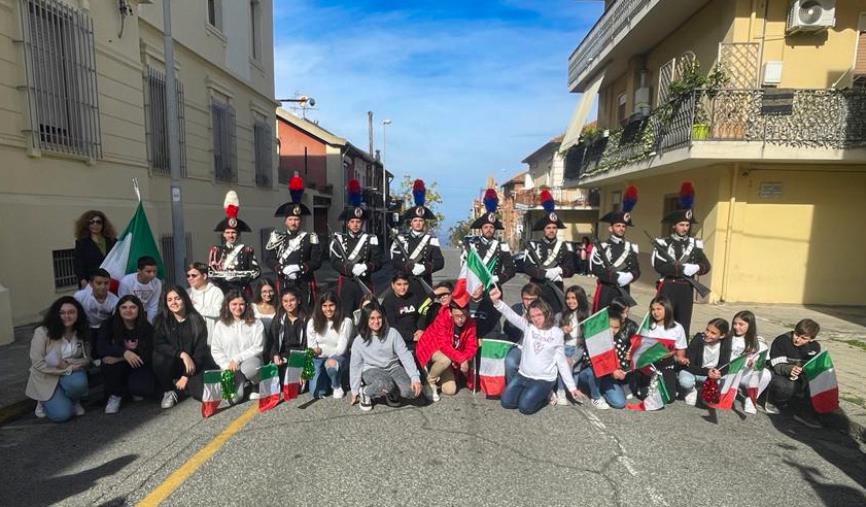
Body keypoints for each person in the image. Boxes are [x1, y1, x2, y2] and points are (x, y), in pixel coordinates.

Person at [489, 286, 579, 415]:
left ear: (546, 313)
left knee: (525, 408)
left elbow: (561, 362)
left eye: (539, 315)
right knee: (506, 403)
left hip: (543, 379)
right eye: (532, 316)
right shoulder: (529, 327)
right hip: (523, 375)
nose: (536, 319)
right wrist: (497, 302)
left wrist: (571, 387)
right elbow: (510, 315)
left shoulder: (557, 333)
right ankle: (530, 393)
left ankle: (545, 395)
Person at [651, 182, 711, 335]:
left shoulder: (695, 244)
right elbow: (659, 266)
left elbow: (706, 265)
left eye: (687, 225)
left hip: (686, 288)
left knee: (683, 323)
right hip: (669, 287)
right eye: (681, 225)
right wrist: (681, 269)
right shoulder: (663, 243)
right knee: (664, 322)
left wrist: (696, 268)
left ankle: (681, 352)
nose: (685, 228)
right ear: (674, 226)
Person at [25, 296, 90, 422]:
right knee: (62, 415)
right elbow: (37, 363)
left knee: (79, 383)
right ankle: (42, 401)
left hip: (69, 372)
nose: (67, 316)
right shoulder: (42, 332)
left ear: (78, 314)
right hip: (47, 375)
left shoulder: (81, 331)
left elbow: (87, 358)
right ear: (56, 314)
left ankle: (73, 400)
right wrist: (65, 369)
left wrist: (69, 364)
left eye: (71, 312)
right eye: (62, 313)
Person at [349, 303, 422, 411]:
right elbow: (355, 366)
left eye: (379, 318)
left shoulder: (392, 333)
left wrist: (415, 377)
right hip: (371, 370)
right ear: (365, 320)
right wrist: (354, 390)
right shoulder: (359, 341)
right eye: (372, 318)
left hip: (393, 368)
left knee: (410, 392)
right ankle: (365, 392)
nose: (376, 321)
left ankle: (390, 391)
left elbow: (405, 355)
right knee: (384, 384)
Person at [265, 173, 322, 309]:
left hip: (304, 281)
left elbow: (316, 260)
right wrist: (281, 269)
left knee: (306, 312)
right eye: (290, 219)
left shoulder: (310, 237)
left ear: (300, 221)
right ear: (285, 221)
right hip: (284, 281)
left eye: (296, 219)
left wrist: (300, 268)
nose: (294, 222)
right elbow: (269, 258)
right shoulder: (277, 237)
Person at [152, 286, 214, 409]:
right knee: (159, 357)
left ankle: (181, 388)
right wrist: (182, 354)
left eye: (177, 298)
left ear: (184, 299)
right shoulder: (161, 320)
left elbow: (200, 351)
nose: (173, 302)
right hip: (172, 363)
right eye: (169, 300)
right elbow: (159, 345)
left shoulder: (197, 320)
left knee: (203, 394)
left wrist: (186, 375)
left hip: (193, 364)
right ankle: (168, 390)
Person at [330, 179, 384, 315]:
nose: (355, 224)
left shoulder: (371, 239)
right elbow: (334, 262)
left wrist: (366, 267)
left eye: (358, 222)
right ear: (347, 224)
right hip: (346, 285)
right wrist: (350, 268)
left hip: (364, 283)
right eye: (352, 221)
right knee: (345, 317)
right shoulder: (339, 239)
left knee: (367, 317)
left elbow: (378, 261)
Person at [96, 295, 156, 414]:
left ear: (139, 309)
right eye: (124, 307)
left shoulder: (146, 326)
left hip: (138, 363)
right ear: (118, 309)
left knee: (143, 389)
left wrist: (121, 358)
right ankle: (115, 395)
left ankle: (130, 390)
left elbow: (149, 353)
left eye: (132, 307)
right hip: (116, 367)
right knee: (108, 364)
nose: (128, 310)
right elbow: (101, 347)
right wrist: (124, 353)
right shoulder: (108, 324)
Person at [519, 189, 575, 314]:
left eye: (554, 228)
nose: (551, 230)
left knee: (556, 319)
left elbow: (571, 268)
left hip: (556, 290)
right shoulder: (534, 246)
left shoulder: (565, 247)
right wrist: (544, 274)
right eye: (548, 228)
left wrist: (559, 271)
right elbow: (527, 267)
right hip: (536, 289)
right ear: (543, 229)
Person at [590, 185, 640, 313]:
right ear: (611, 228)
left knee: (621, 323)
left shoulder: (631, 247)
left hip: (623, 290)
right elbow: (596, 269)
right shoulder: (601, 247)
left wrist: (630, 276)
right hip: (606, 289)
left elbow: (636, 269)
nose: (621, 228)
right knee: (602, 324)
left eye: (623, 226)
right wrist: (615, 277)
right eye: (618, 226)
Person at [415, 301, 478, 402]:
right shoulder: (442, 319)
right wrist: (461, 359)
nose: (461, 319)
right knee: (446, 359)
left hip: (451, 356)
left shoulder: (471, 324)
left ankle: (436, 372)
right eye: (457, 316)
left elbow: (472, 346)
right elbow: (444, 346)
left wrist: (465, 358)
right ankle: (429, 381)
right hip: (432, 349)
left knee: (450, 390)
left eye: (464, 315)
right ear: (451, 312)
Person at [391, 179, 444, 296]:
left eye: (421, 220)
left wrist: (425, 268)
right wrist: (408, 267)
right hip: (405, 285)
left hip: (424, 284)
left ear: (424, 222)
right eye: (415, 220)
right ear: (411, 223)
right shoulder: (401, 239)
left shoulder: (431, 240)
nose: (418, 223)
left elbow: (440, 262)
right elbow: (395, 261)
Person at [766, 319, 822, 427]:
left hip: (799, 376)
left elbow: (813, 367)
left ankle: (804, 413)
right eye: (796, 334)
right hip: (778, 373)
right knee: (787, 386)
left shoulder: (815, 347)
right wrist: (789, 369)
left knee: (817, 383)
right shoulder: (782, 341)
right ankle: (773, 400)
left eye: (803, 338)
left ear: (811, 339)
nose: (797, 339)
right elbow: (777, 366)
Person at [211, 291, 265, 403]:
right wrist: (226, 365)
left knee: (251, 370)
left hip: (250, 363)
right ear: (227, 305)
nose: (238, 307)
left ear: (246, 305)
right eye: (234, 304)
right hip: (231, 367)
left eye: (241, 304)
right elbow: (216, 350)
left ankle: (256, 384)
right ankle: (243, 385)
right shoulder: (220, 325)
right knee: (233, 400)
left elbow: (258, 347)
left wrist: (237, 358)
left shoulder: (256, 323)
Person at [573, 310, 629, 410]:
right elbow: (587, 360)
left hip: (608, 377)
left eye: (616, 327)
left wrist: (622, 370)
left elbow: (623, 364)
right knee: (592, 372)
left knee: (619, 403)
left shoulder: (619, 342)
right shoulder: (595, 339)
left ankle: (601, 389)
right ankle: (596, 397)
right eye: (610, 326)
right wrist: (611, 369)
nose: (613, 330)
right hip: (590, 373)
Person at [208, 191, 261, 294]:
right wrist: (224, 278)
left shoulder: (247, 251)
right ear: (223, 234)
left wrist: (239, 277)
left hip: (242, 290)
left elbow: (256, 272)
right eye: (228, 232)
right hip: (224, 291)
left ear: (239, 234)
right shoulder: (216, 251)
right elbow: (211, 272)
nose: (231, 235)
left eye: (233, 232)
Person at [637, 296, 689, 400]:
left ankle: (674, 382)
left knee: (668, 398)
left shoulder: (677, 328)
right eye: (653, 309)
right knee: (646, 396)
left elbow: (680, 354)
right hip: (650, 365)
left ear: (667, 309)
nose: (655, 312)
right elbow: (640, 350)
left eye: (659, 309)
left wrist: (679, 358)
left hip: (667, 365)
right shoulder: (648, 326)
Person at [463, 188, 515, 287]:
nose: (489, 229)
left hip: (494, 288)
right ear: (481, 228)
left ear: (495, 229)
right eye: (486, 227)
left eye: (491, 227)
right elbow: (466, 267)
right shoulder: (472, 244)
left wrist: (498, 278)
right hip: (475, 287)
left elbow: (511, 269)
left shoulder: (502, 246)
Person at [306, 291, 353, 399]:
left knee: (331, 363)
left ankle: (336, 385)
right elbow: (311, 347)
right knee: (317, 393)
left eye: (331, 305)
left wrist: (321, 351)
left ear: (337, 305)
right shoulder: (312, 322)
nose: (328, 309)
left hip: (338, 358)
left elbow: (341, 350)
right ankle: (329, 377)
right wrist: (314, 351)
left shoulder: (346, 321)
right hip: (318, 358)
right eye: (324, 306)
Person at [678, 318, 732, 407]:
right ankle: (691, 390)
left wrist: (718, 373)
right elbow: (689, 364)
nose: (708, 334)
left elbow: (725, 365)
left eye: (713, 333)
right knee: (685, 382)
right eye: (707, 330)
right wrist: (707, 372)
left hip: (711, 374)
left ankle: (705, 391)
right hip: (695, 371)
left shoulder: (725, 344)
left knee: (725, 378)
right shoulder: (698, 339)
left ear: (722, 336)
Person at [554, 285, 590, 405]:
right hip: (563, 348)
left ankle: (565, 388)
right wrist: (561, 330)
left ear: (580, 298)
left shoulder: (587, 317)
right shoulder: (560, 316)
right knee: (565, 365)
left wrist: (574, 358)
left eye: (574, 298)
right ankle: (560, 392)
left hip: (578, 350)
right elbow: (551, 335)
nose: (570, 301)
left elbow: (585, 342)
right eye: (568, 298)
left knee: (571, 370)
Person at [731, 310, 770, 414]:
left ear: (750, 325)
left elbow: (762, 362)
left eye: (741, 324)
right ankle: (730, 393)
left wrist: (754, 365)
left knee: (766, 374)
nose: (736, 327)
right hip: (730, 373)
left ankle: (751, 398)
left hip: (746, 375)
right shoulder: (729, 338)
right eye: (734, 323)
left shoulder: (759, 342)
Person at [503, 283, 543, 384]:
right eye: (526, 299)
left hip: (538, 348)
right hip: (519, 346)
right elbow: (506, 329)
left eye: (532, 299)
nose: (529, 302)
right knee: (510, 362)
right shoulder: (516, 309)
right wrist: (518, 323)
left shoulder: (545, 311)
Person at [265, 288, 308, 381]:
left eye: (292, 300)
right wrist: (275, 354)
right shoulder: (278, 319)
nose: (289, 304)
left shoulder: (306, 319)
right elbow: (272, 341)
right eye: (285, 301)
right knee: (274, 383)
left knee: (296, 386)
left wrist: (302, 362)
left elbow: (308, 344)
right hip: (283, 355)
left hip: (300, 355)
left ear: (299, 300)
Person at [74, 268, 118, 348]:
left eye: (106, 283)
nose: (103, 286)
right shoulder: (79, 296)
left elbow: (115, 323)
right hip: (85, 328)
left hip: (104, 330)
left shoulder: (115, 301)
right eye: (99, 283)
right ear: (91, 284)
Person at [74, 210, 117, 288]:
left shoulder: (112, 241)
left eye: (98, 222)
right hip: (92, 283)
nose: (95, 224)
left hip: (111, 281)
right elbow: (78, 264)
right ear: (87, 225)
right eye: (91, 222)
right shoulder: (81, 243)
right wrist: (83, 281)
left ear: (103, 224)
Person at [382, 273, 424, 350]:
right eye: (399, 284)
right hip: (399, 338)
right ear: (393, 285)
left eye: (405, 284)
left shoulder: (413, 297)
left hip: (416, 335)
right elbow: (392, 325)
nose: (403, 287)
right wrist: (411, 336)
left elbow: (421, 315)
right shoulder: (388, 301)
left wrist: (420, 329)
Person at [186, 262, 224, 344]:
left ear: (204, 276)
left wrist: (195, 306)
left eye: (194, 275)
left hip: (211, 341)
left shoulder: (215, 292)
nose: (190, 278)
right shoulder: (187, 293)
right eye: (188, 276)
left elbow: (218, 312)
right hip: (191, 340)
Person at [118, 256, 162, 323]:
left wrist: (149, 324)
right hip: (129, 311)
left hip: (145, 312)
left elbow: (153, 306)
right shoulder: (126, 281)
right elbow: (122, 303)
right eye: (148, 271)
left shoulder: (157, 283)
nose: (152, 275)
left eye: (154, 271)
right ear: (139, 271)